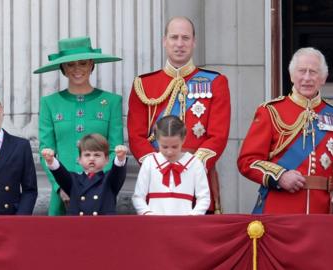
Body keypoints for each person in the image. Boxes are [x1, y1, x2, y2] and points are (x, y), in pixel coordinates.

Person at [127, 16, 230, 214]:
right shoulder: (144, 84)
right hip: (156, 178)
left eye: (185, 38)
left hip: (197, 175)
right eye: (174, 37)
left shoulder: (216, 82)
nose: (180, 44)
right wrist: (157, 166)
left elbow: (218, 135)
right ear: (164, 41)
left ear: (194, 42)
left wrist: (191, 166)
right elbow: (136, 135)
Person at [237, 47, 333, 214]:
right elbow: (247, 161)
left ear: (323, 78)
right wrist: (280, 176)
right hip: (280, 209)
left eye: (313, 72)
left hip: (322, 211)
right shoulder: (271, 111)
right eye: (302, 71)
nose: (307, 78)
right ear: (292, 76)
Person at [34, 36, 124, 216]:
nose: (77, 69)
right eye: (70, 65)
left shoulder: (112, 102)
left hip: (101, 193)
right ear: (63, 69)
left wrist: (101, 184)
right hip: (63, 194)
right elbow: (46, 150)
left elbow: (115, 149)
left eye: (82, 63)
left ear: (92, 65)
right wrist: (60, 187)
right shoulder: (49, 103)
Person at [132, 115, 210, 215]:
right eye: (164, 147)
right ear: (157, 140)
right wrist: (147, 214)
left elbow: (204, 197)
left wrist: (192, 217)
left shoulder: (195, 163)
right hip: (154, 224)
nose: (169, 152)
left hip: (185, 225)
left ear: (183, 139)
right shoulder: (150, 162)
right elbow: (138, 196)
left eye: (174, 147)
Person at [41, 134, 127, 216]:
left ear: (107, 159)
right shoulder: (73, 179)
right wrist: (51, 160)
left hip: (103, 227)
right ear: (79, 159)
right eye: (87, 155)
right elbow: (60, 173)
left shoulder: (109, 180)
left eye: (97, 155)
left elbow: (118, 172)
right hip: (78, 227)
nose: (92, 158)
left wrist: (120, 158)